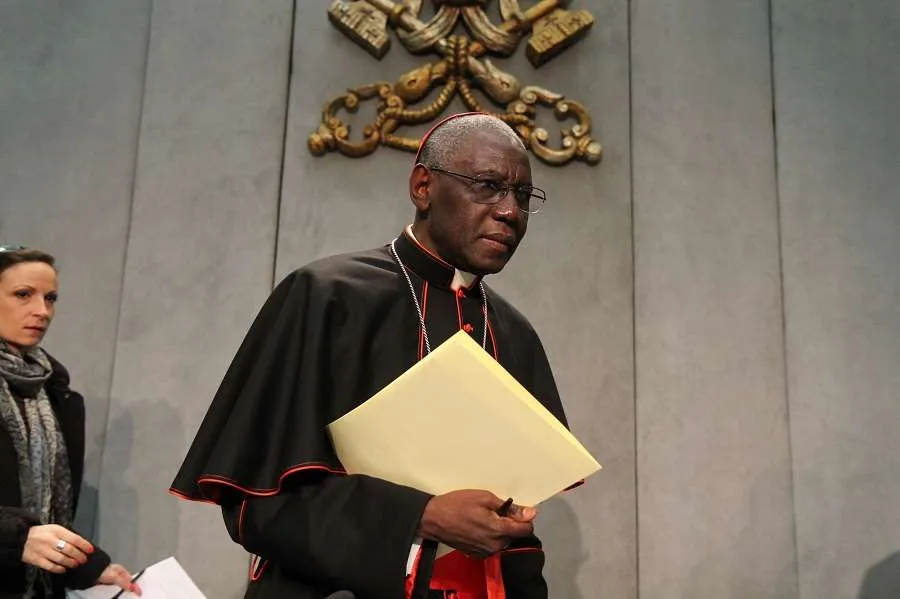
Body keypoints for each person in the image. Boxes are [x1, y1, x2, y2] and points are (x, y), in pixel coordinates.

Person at [170, 112, 577, 599]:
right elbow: (256, 505)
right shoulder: (326, 296)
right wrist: (421, 515)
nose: (510, 211)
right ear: (423, 187)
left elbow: (517, 527)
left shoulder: (516, 335)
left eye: (522, 196)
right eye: (488, 186)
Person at [0, 246, 141, 598]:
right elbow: (26, 533)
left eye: (50, 298)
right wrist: (13, 539)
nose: (42, 311)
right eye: (23, 294)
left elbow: (48, 515)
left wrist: (89, 568)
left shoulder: (56, 395)